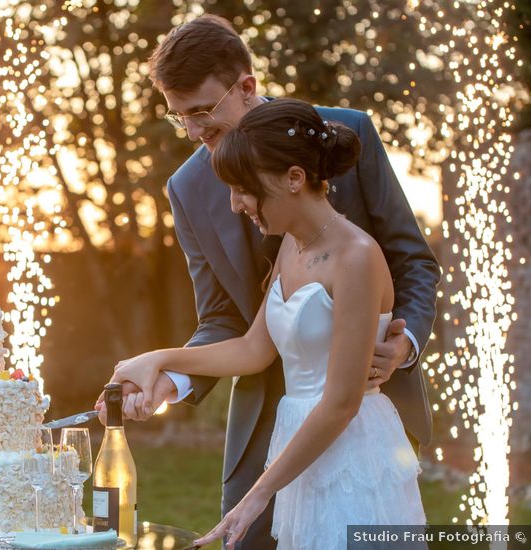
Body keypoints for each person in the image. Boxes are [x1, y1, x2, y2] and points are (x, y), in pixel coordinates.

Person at [96, 14, 439, 549]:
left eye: (202, 112)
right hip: (267, 428)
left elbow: (412, 261)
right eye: (179, 117)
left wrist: (404, 342)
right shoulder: (190, 191)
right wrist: (164, 370)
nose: (192, 133)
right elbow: (229, 325)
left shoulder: (338, 141)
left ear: (247, 87)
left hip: (358, 422)